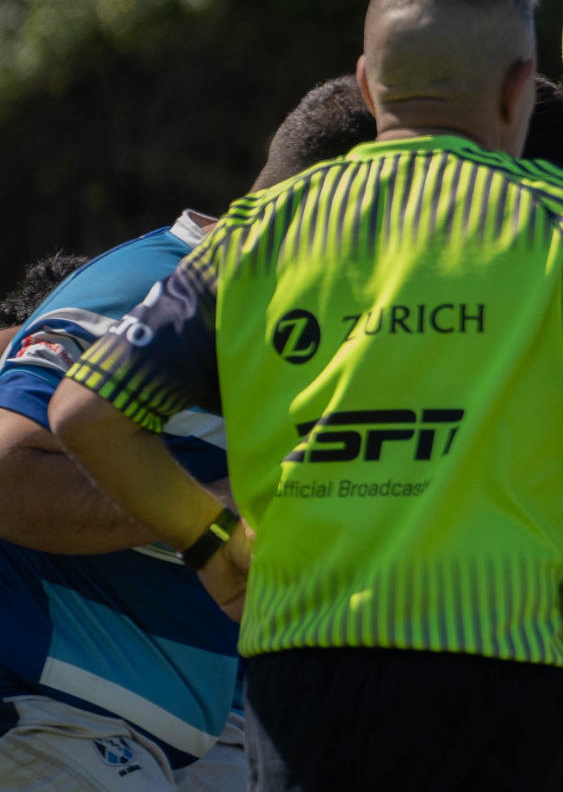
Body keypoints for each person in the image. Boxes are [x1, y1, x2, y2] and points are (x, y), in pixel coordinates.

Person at [44, 0, 563, 792]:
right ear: (517, 88)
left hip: (301, 676)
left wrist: (209, 544)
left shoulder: (257, 233)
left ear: (364, 84)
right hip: (501, 675)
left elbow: (83, 411)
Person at [0, 76, 373, 792]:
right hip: (49, 716)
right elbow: (10, 469)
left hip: (166, 734)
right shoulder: (157, 288)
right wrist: (227, 506)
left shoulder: (297, 331)